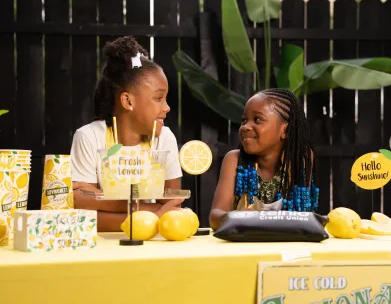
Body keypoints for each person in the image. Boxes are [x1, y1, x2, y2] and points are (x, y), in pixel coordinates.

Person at [71, 36, 183, 231]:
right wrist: (148, 211)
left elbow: (172, 208)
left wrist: (99, 202)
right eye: (159, 98)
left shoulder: (165, 138)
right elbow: (78, 204)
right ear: (128, 101)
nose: (167, 108)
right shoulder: (89, 137)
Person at [209, 88, 320, 230]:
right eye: (244, 120)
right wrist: (237, 217)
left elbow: (304, 215)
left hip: (287, 245)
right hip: (243, 246)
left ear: (285, 130)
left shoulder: (300, 159)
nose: (246, 127)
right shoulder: (234, 160)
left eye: (257, 119)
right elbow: (215, 217)